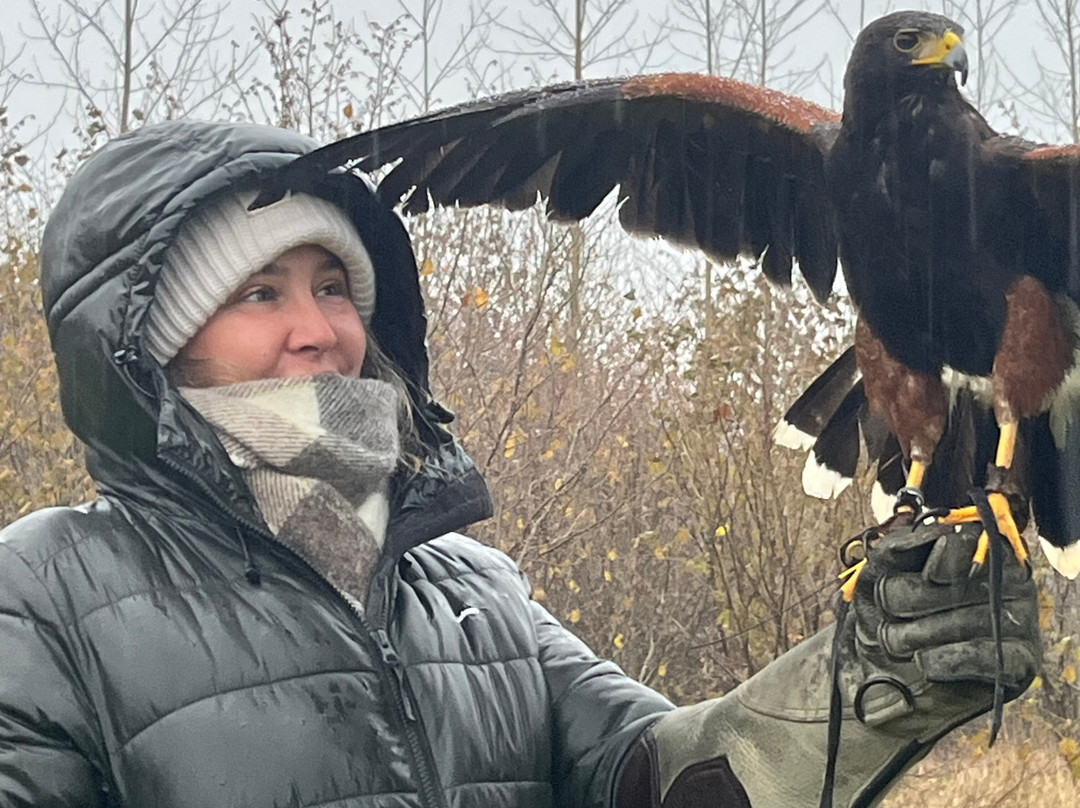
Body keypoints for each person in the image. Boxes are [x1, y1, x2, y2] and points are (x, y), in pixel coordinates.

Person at [0, 119, 1039, 808]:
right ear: (147, 348)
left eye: (334, 286)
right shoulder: (43, 600)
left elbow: (663, 778)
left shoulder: (467, 593)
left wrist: (871, 679)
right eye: (260, 294)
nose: (319, 329)